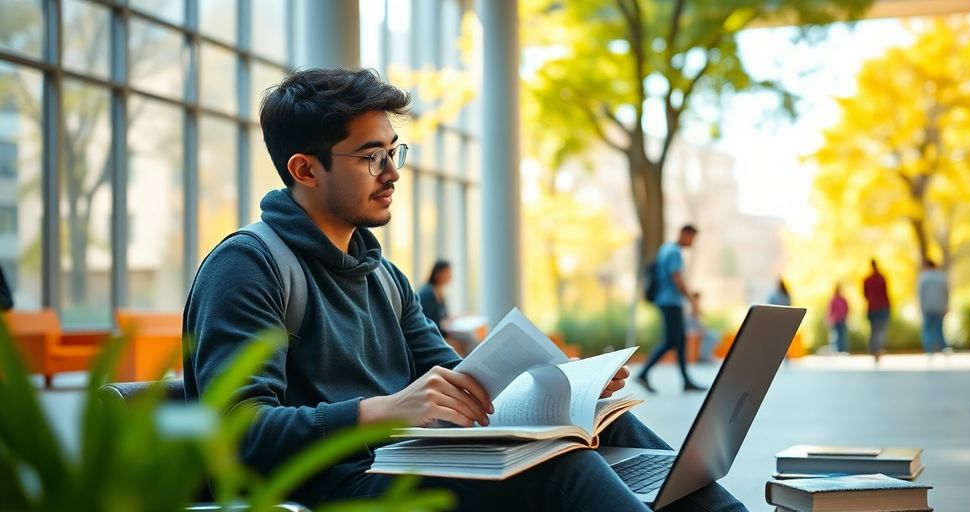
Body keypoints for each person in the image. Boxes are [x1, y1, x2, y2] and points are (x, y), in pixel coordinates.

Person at [183, 68, 744, 511]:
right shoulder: (247, 267)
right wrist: (383, 411)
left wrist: (571, 391)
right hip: (332, 488)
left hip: (402, 466)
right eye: (370, 156)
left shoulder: (382, 275)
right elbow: (236, 431)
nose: (392, 172)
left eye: (393, 151)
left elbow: (465, 385)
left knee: (609, 424)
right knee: (552, 466)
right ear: (305, 170)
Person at [636, 225, 706, 394]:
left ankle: (686, 381)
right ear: (684, 234)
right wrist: (692, 301)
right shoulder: (674, 252)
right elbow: (677, 278)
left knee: (680, 341)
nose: (692, 242)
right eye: (692, 238)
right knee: (670, 341)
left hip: (666, 301)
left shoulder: (665, 249)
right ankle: (643, 374)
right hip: (670, 302)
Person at [418, 260, 480, 354]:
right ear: (438, 273)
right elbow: (428, 321)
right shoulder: (428, 293)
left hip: (442, 332)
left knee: (472, 337)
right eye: (447, 272)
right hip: (432, 335)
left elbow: (444, 318)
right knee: (464, 343)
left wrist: (461, 316)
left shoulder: (440, 293)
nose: (450, 276)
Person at [917, 259, 949, 355]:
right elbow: (946, 293)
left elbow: (920, 294)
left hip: (927, 307)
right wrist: (946, 305)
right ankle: (943, 347)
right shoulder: (942, 277)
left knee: (927, 329)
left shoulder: (923, 278)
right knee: (939, 328)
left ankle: (929, 350)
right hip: (940, 306)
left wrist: (920, 306)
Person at [862, 259, 890, 364]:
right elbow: (885, 292)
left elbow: (864, 295)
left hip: (872, 307)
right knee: (881, 330)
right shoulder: (881, 278)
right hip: (882, 306)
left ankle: (874, 350)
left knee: (874, 330)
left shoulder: (867, 280)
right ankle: (878, 350)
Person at [828, 284, 849, 354]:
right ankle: (836, 350)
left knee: (842, 335)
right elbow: (830, 310)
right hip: (835, 320)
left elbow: (847, 309)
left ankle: (843, 350)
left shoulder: (843, 299)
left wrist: (845, 316)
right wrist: (830, 320)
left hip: (842, 319)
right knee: (835, 336)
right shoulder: (833, 299)